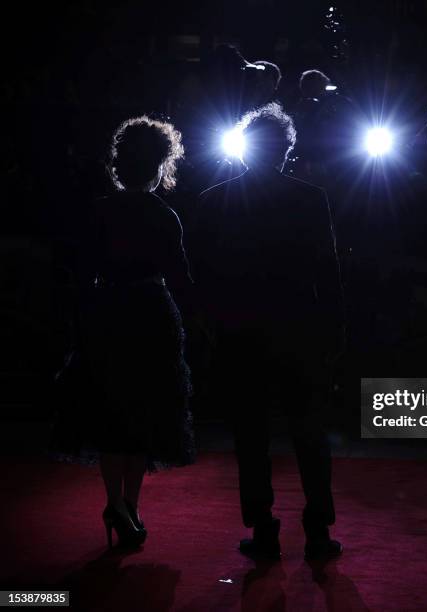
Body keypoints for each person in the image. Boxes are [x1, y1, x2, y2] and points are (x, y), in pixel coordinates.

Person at [189, 102, 344, 560]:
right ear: (287, 151)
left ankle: (262, 529)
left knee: (250, 437)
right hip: (298, 332)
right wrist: (335, 333)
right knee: (309, 435)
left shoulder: (214, 200)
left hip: (241, 333)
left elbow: (202, 273)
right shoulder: (311, 198)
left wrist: (212, 325)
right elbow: (327, 273)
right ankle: (317, 530)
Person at [51, 115, 196, 549]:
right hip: (150, 313)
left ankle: (117, 502)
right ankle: (128, 506)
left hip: (107, 313)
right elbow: (180, 277)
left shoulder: (99, 212)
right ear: (158, 166)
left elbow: (78, 274)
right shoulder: (163, 215)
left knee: (110, 413)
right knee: (144, 414)